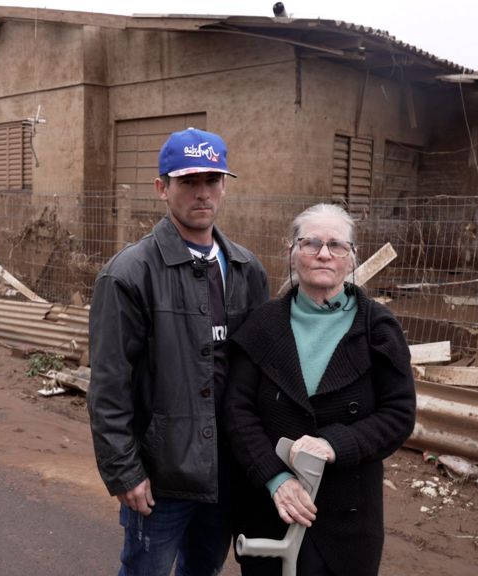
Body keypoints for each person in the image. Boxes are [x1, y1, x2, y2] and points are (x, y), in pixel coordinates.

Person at [87, 127, 269, 575]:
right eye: (188, 181)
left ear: (224, 186)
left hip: (226, 470)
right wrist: (124, 471)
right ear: (162, 188)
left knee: (204, 568)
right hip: (160, 475)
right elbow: (109, 385)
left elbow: (259, 372)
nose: (202, 193)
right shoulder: (129, 274)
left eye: (212, 180)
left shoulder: (247, 269)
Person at [225, 203, 416, 576]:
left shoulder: (378, 329)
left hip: (348, 521)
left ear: (352, 256)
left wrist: (333, 444)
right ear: (291, 252)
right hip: (271, 510)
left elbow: (398, 415)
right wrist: (275, 478)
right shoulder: (261, 326)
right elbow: (237, 411)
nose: (324, 254)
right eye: (311, 243)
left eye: (336, 245)